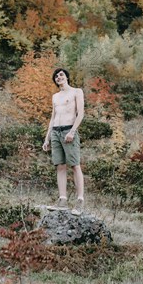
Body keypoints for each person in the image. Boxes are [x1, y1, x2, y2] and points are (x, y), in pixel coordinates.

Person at [42, 68, 85, 215]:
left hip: (69, 131)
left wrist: (73, 131)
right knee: (60, 166)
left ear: (67, 77)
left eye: (61, 75)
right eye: (56, 76)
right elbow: (53, 117)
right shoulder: (55, 97)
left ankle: (79, 201)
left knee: (75, 165)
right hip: (55, 131)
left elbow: (81, 113)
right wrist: (47, 138)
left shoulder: (76, 92)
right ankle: (62, 200)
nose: (58, 77)